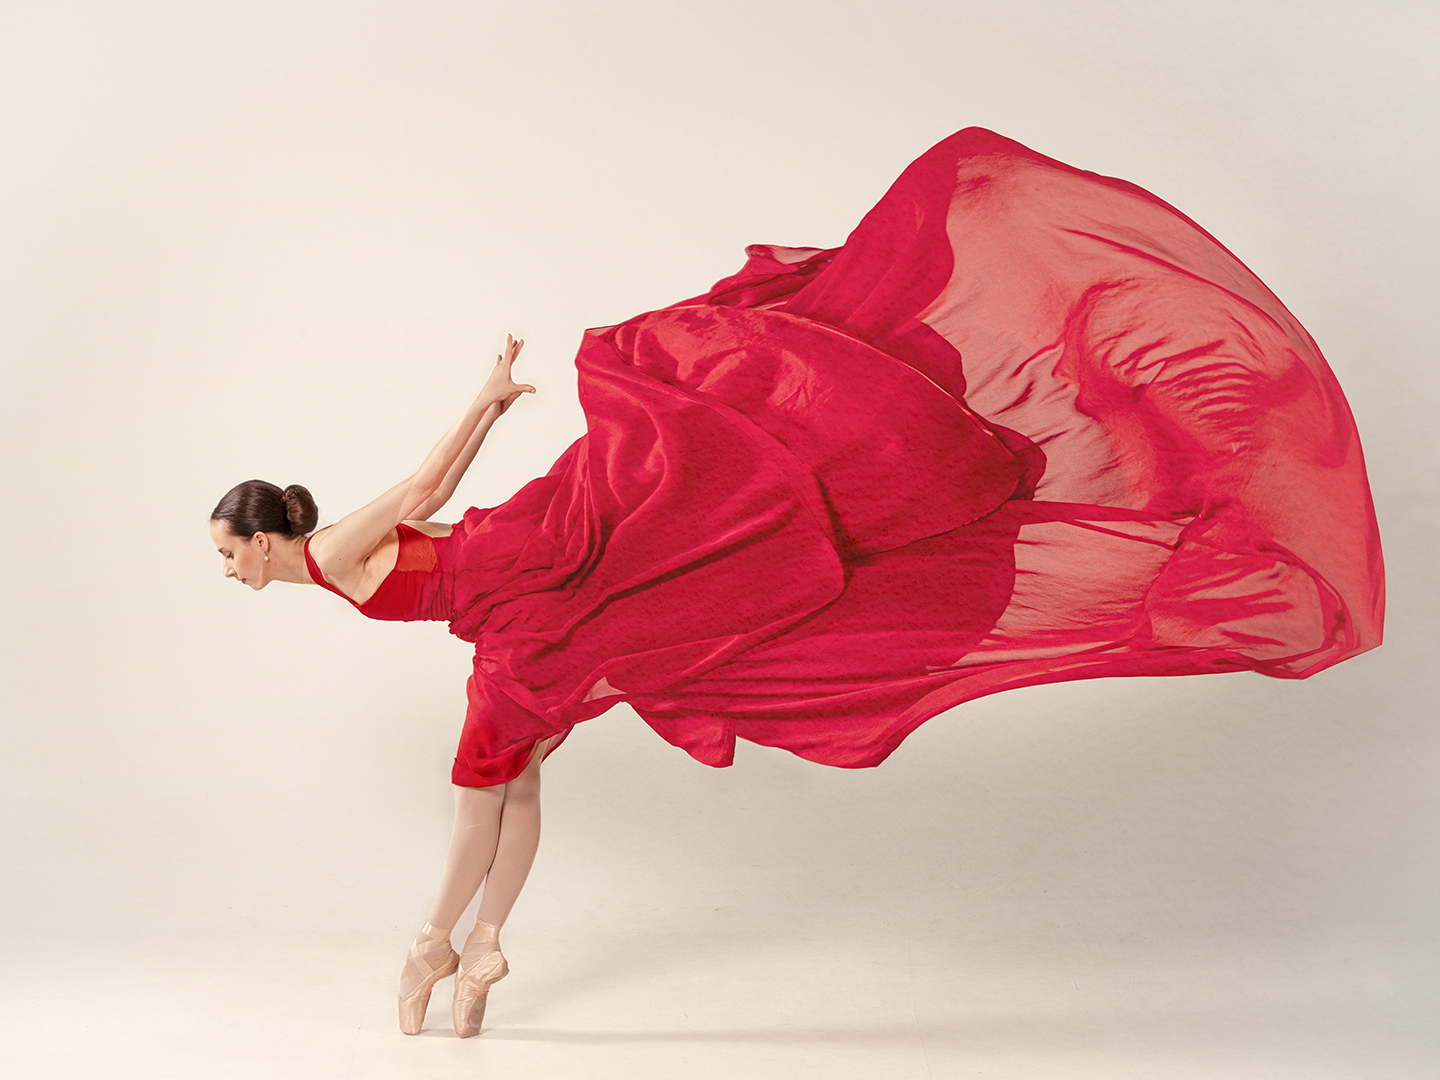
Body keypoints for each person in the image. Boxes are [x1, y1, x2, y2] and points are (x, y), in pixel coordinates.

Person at [208, 128, 1384, 1038]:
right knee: (515, 790)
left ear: (265, 541)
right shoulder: (330, 561)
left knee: (483, 790)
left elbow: (424, 490)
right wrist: (488, 408)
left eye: (228, 552)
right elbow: (435, 500)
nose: (229, 570)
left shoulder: (330, 556)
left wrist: (485, 400)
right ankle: (487, 948)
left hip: (524, 581)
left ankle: (433, 943)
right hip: (531, 592)